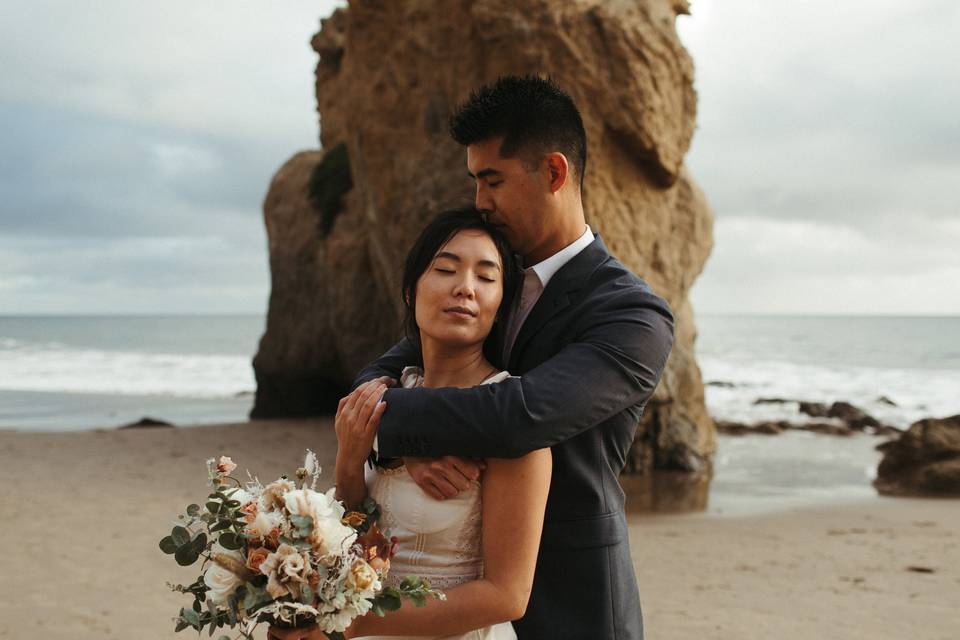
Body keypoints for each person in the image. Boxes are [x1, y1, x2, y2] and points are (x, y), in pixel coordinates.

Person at [351, 75, 674, 639]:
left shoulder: (632, 315)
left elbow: (521, 415)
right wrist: (403, 444)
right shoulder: (486, 294)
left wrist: (387, 430)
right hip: (450, 592)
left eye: (492, 180)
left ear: (553, 172)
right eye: (475, 182)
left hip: (572, 600)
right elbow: (390, 365)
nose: (480, 202)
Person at [269, 209, 551, 640]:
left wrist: (352, 622)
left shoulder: (508, 419)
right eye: (445, 269)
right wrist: (349, 461)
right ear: (409, 291)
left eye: (486, 277)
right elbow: (359, 548)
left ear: (501, 306)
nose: (465, 288)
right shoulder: (388, 398)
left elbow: (506, 596)